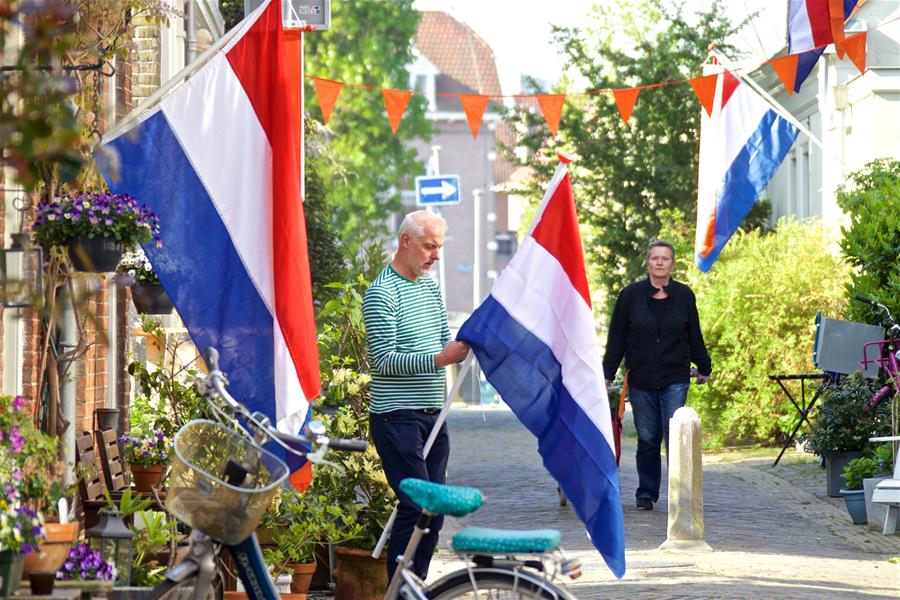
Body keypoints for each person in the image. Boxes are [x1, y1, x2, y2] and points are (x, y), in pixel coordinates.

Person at [362, 210, 470, 580]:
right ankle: (399, 589)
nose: (435, 255)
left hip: (433, 416)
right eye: (429, 246)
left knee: (433, 510)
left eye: (439, 247)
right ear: (405, 241)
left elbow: (443, 341)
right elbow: (382, 361)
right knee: (415, 505)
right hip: (397, 416)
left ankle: (416, 584)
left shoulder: (429, 288)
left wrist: (466, 345)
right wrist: (440, 359)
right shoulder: (382, 293)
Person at [602, 239, 711, 511]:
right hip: (641, 378)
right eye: (655, 258)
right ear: (648, 262)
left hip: (675, 376)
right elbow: (617, 337)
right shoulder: (630, 295)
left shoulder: (684, 295)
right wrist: (607, 374)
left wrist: (704, 366)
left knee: (675, 435)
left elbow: (694, 333)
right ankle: (646, 493)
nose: (660, 262)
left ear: (672, 263)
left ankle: (679, 493)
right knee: (648, 438)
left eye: (665, 258)